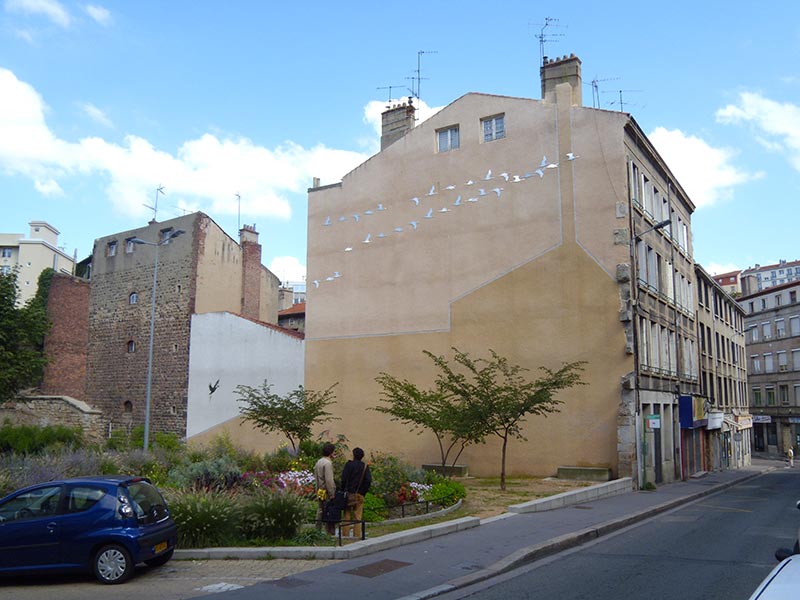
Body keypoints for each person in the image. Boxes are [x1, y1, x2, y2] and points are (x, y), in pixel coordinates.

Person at [340, 447, 371, 538]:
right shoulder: (365, 467)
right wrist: (363, 492)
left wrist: (343, 490)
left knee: (346, 515)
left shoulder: (348, 465)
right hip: (359, 494)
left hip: (348, 494)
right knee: (358, 516)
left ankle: (345, 535)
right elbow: (368, 480)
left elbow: (343, 479)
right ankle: (357, 535)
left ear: (354, 455)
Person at [314, 442, 337, 535]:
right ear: (331, 452)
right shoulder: (327, 463)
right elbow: (329, 480)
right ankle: (329, 531)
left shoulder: (319, 462)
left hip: (320, 490)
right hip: (326, 491)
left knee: (320, 510)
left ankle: (317, 529)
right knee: (329, 510)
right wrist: (332, 493)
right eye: (334, 452)